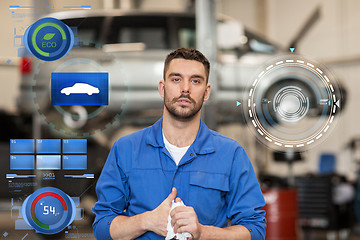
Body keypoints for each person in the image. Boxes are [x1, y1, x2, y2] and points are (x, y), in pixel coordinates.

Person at [92, 48, 266, 240]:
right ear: (162, 87)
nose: (185, 88)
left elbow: (255, 230)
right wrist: (146, 221)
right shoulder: (125, 149)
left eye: (195, 81)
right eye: (176, 79)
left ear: (206, 92)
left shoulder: (231, 154)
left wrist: (202, 232)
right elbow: (102, 226)